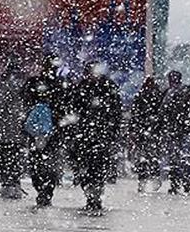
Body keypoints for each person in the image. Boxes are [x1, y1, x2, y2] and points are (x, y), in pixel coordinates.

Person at [69, 62, 122, 212]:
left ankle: (95, 197)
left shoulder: (107, 87)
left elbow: (116, 111)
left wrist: (112, 131)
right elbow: (74, 110)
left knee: (98, 168)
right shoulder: (82, 87)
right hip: (85, 136)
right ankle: (90, 195)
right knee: (84, 168)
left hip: (100, 135)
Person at [22, 56, 64, 207]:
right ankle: (46, 192)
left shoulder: (33, 82)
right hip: (52, 132)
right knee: (48, 164)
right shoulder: (60, 85)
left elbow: (25, 102)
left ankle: (42, 189)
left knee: (36, 163)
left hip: (36, 132)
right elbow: (64, 109)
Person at [0, 63, 27, 199]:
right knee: (16, 158)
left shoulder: (5, 89)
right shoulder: (23, 89)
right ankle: (15, 184)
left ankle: (7, 185)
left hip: (5, 133)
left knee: (5, 159)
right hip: (19, 132)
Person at [159, 70, 190, 195]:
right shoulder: (189, 91)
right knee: (186, 158)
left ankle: (175, 184)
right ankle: (186, 181)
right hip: (187, 130)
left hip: (175, 131)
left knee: (175, 158)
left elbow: (162, 112)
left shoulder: (169, 93)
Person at [129, 76, 164, 192]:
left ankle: (146, 180)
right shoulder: (158, 97)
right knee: (149, 157)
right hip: (150, 132)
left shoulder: (142, 97)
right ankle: (149, 179)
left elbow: (134, 116)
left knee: (146, 158)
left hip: (147, 132)